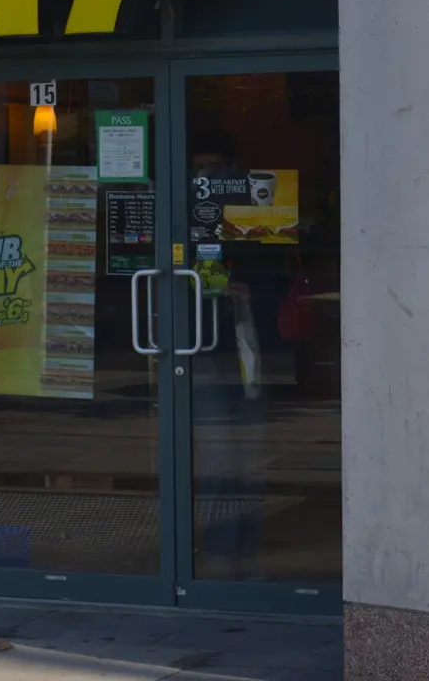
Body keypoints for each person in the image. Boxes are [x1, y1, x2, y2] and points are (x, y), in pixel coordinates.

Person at [189, 127, 286, 581]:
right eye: (199, 168)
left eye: (215, 167)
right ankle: (221, 553)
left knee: (248, 459)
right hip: (202, 349)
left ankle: (246, 551)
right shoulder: (188, 215)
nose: (206, 176)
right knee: (215, 459)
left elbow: (279, 274)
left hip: (251, 350)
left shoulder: (259, 216)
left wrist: (251, 291)